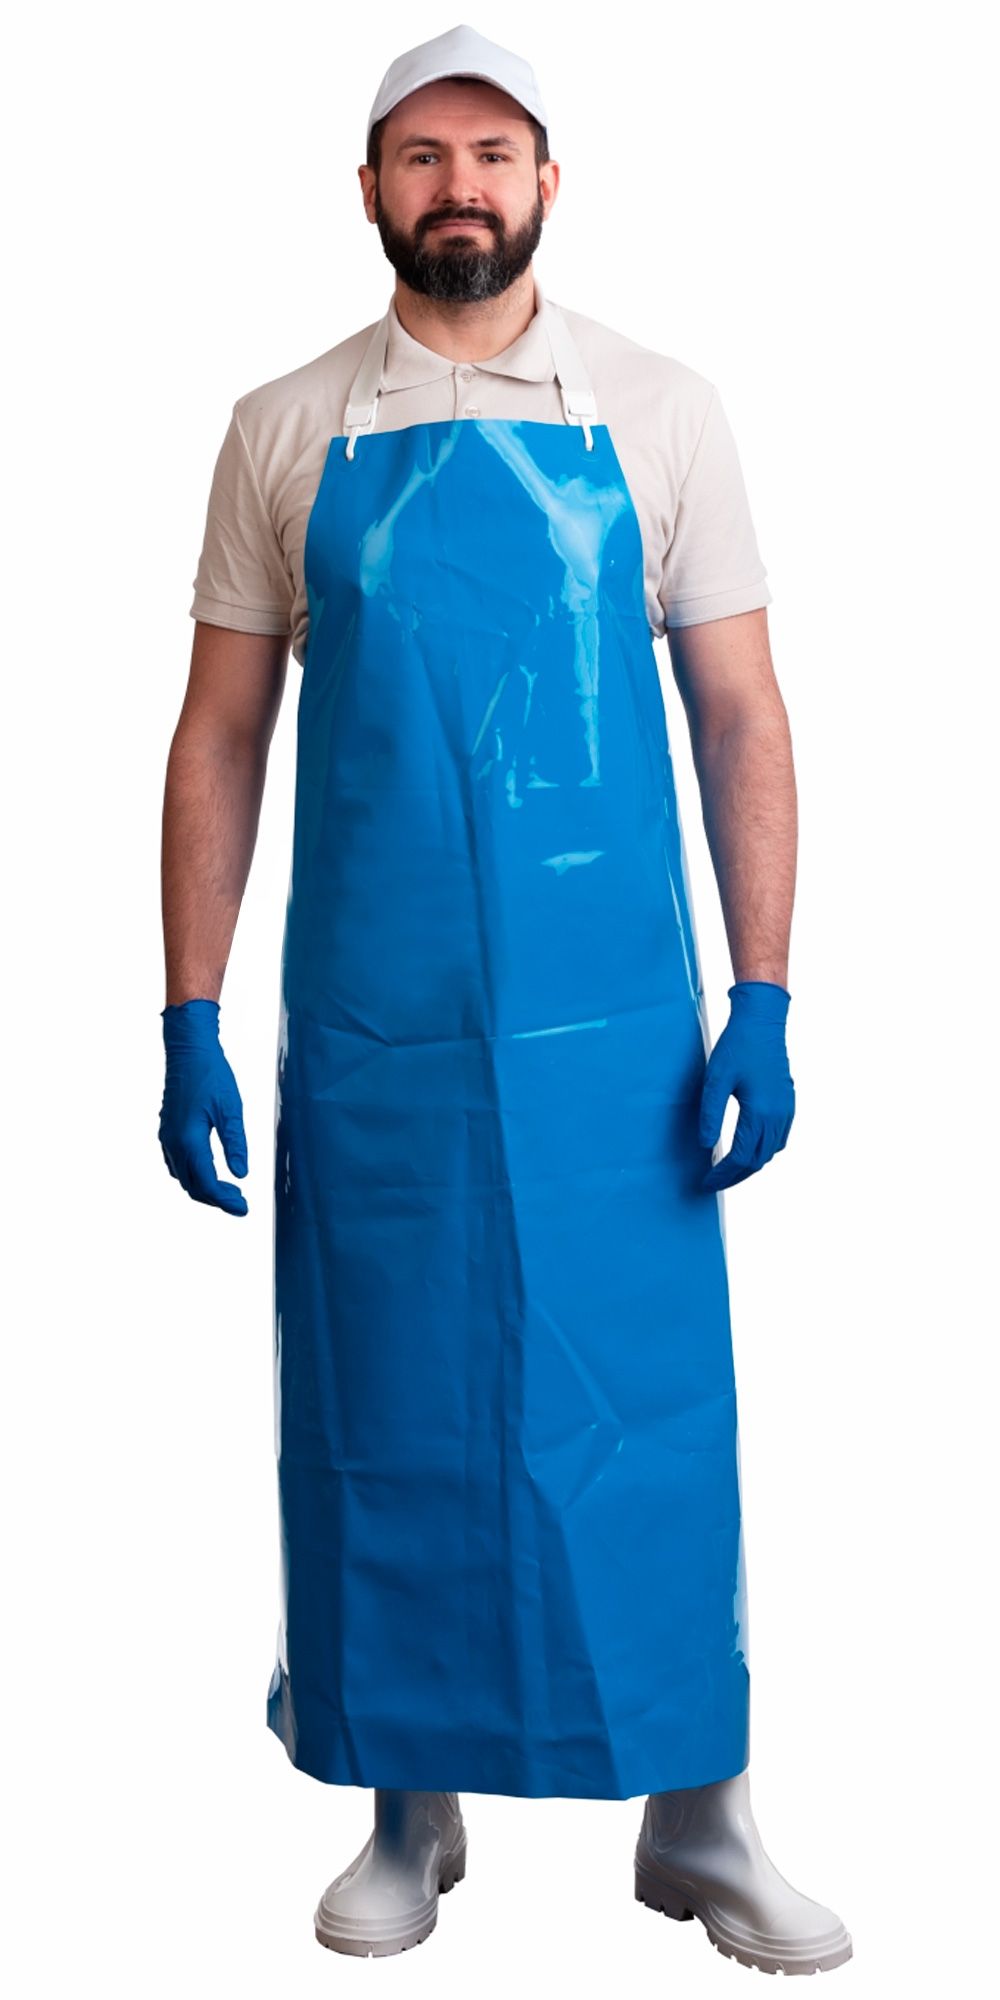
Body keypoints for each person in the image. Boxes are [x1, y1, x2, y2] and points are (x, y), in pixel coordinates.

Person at [159, 22, 851, 1975]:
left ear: (549, 183)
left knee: (646, 1409)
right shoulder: (284, 428)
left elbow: (740, 712)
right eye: (420, 155)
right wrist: (187, 1010)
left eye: (491, 153)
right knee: (390, 1397)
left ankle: (699, 1816)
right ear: (368, 189)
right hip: (374, 1038)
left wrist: (765, 991)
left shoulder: (661, 411)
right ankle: (408, 1803)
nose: (455, 185)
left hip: (615, 1041)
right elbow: (221, 735)